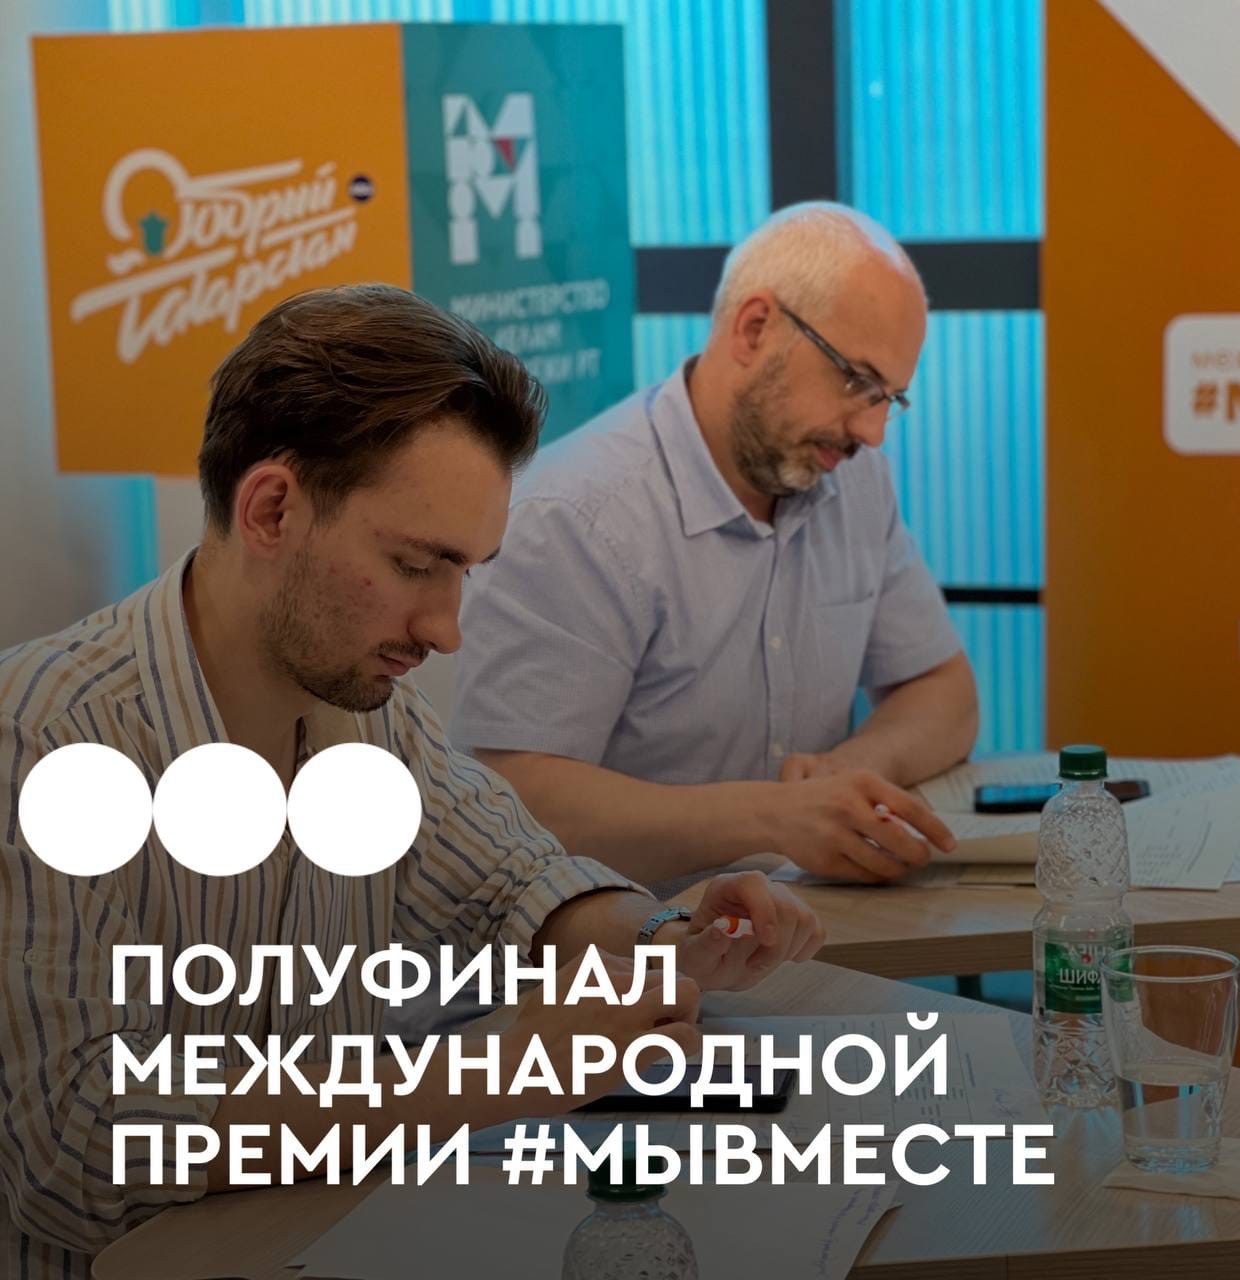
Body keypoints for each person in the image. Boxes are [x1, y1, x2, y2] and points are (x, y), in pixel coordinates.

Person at [0, 285, 823, 1280]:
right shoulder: (45, 737)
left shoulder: (367, 712)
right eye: (414, 564)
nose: (446, 628)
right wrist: (494, 1072)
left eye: (464, 571)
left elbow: (513, 886)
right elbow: (80, 1147)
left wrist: (666, 936)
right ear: (271, 510)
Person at [451, 204, 979, 894]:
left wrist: (850, 770)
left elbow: (945, 693)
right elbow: (516, 800)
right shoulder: (576, 516)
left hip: (812, 921)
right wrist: (773, 817)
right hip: (626, 942)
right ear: (755, 329)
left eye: (891, 399)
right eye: (858, 382)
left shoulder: (853, 481)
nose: (873, 432)